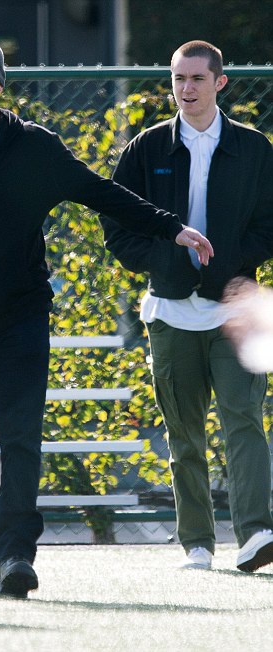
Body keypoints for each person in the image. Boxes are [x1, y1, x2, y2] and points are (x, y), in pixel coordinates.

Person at [0, 31, 213, 598]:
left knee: (19, 439)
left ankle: (15, 558)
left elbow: (99, 192)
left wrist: (170, 226)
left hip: (22, 317)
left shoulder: (34, 146)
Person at [100, 40, 273, 572]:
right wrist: (166, 263)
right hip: (170, 312)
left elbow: (268, 224)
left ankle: (257, 534)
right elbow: (116, 225)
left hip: (237, 309)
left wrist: (231, 267)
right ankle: (197, 544)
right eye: (178, 79)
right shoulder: (145, 149)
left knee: (243, 420)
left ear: (220, 82)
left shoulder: (255, 148)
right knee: (185, 433)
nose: (186, 88)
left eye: (197, 78)